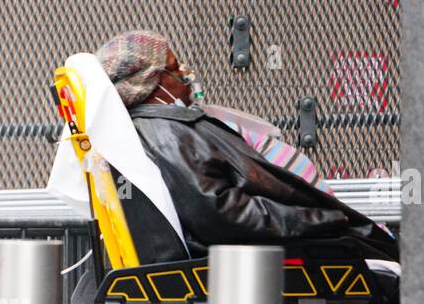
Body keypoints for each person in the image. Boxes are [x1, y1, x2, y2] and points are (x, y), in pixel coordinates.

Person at [93, 30, 398, 265]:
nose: (186, 74)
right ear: (150, 82)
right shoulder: (169, 134)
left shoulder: (162, 130)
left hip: (262, 250)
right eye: (174, 69)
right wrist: (321, 219)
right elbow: (221, 214)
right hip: (279, 256)